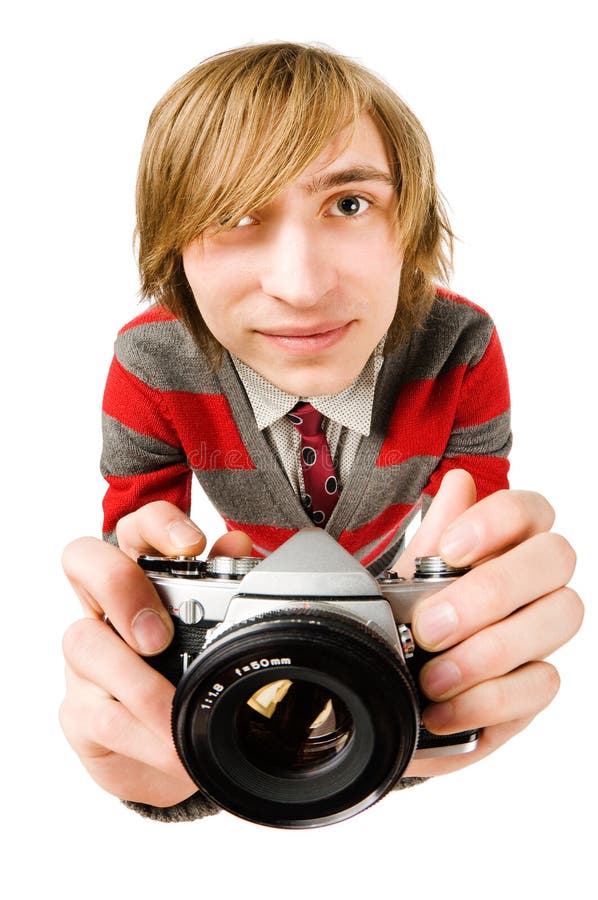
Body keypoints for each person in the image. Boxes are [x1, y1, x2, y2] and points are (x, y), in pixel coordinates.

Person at [59, 42, 583, 822]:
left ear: (409, 223)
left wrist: (432, 671)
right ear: (173, 245)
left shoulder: (461, 343)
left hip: (387, 613)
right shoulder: (150, 360)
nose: (301, 288)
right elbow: (135, 546)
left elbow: (465, 536)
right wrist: (164, 761)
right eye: (233, 216)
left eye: (349, 204)